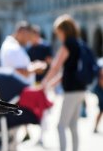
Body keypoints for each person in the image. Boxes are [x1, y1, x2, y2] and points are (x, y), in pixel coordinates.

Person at [41, 15, 85, 151]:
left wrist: (44, 81)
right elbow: (68, 71)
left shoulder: (68, 45)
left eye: (58, 32)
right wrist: (53, 83)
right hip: (81, 89)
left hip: (71, 91)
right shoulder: (78, 43)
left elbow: (56, 66)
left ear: (64, 31)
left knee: (60, 126)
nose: (58, 35)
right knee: (73, 125)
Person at [93, 59, 103, 133]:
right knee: (101, 109)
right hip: (101, 89)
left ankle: (95, 127)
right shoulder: (101, 62)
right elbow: (101, 78)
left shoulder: (100, 61)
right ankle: (95, 127)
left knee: (101, 109)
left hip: (99, 89)